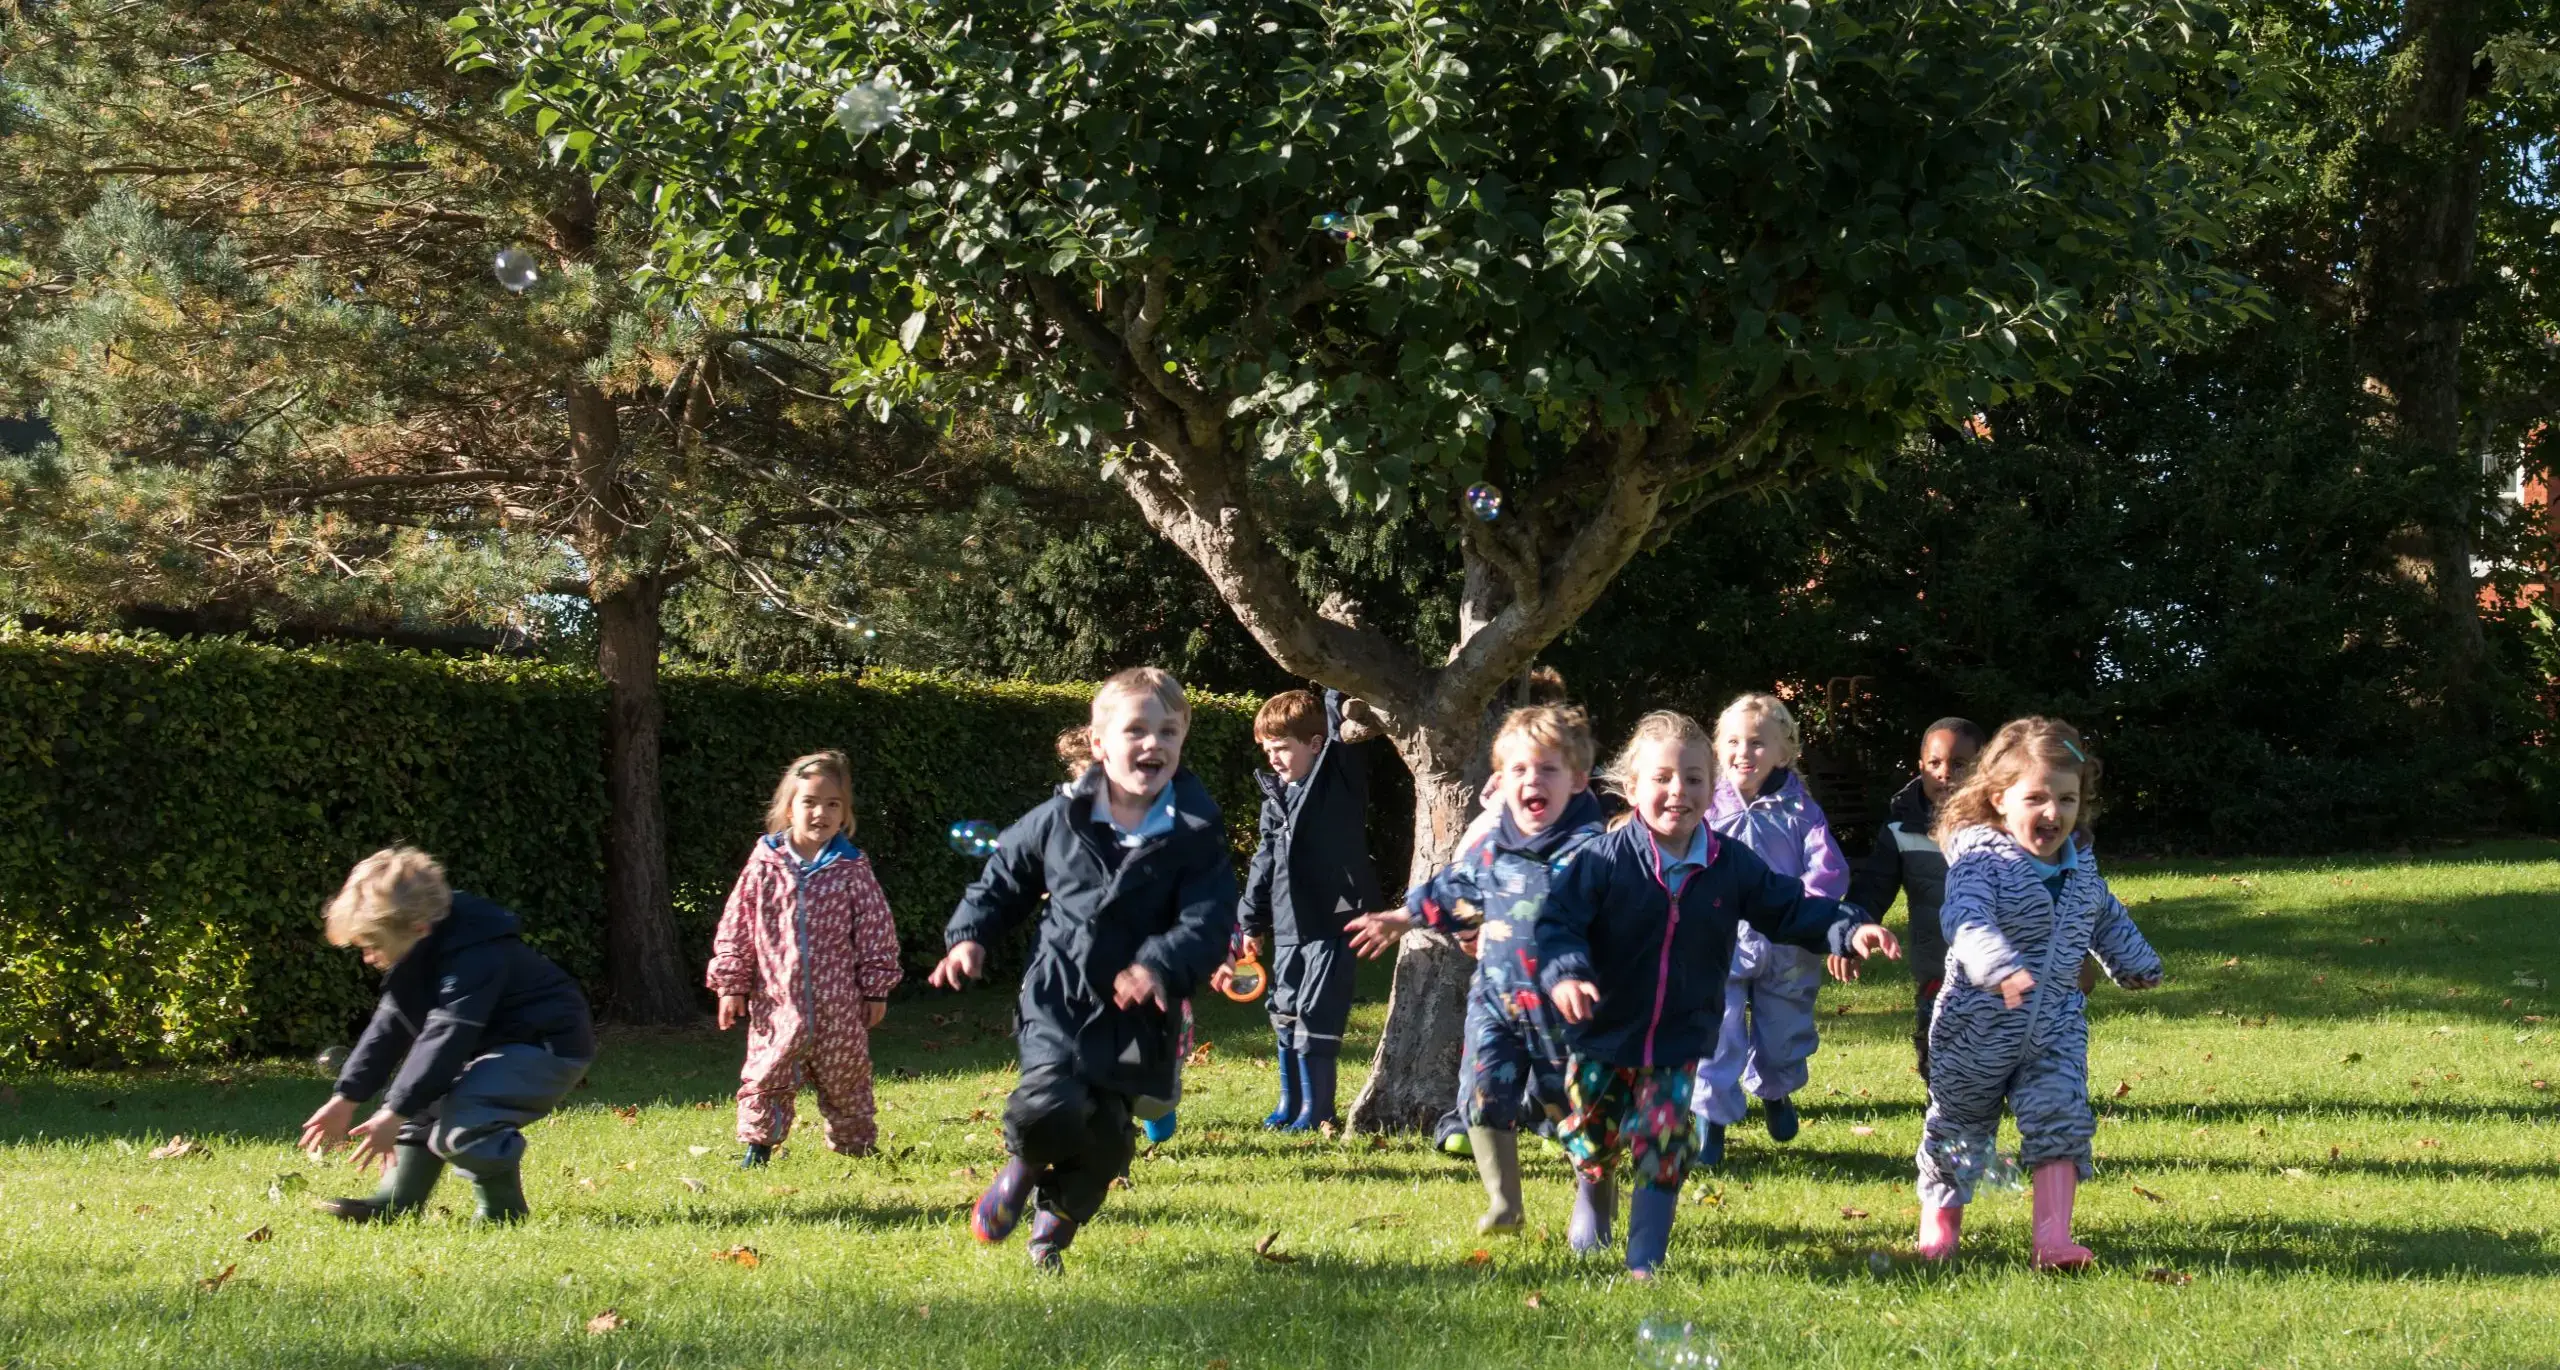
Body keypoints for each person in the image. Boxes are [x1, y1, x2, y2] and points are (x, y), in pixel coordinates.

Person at [1539, 712, 1899, 1277]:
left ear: (1713, 788)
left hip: (1679, 1036)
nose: (1677, 791)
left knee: (1663, 1144)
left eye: (1693, 778)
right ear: (1632, 787)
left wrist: (1848, 929)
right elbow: (1558, 923)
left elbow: (1789, 906)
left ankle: (1645, 1262)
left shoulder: (1728, 863)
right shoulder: (1602, 861)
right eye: (1661, 779)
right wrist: (1565, 974)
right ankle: (1594, 1196)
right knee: (1593, 1137)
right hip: (1602, 1032)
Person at [930, 667, 1235, 1272]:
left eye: (1168, 731)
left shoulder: (1196, 833)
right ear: (1099, 744)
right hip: (1060, 996)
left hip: (1140, 1015)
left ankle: (1055, 1227)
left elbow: (1208, 918)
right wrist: (969, 937)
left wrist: (1158, 963)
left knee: (1106, 1138)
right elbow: (1004, 879)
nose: (1154, 744)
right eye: (1137, 730)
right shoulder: (1061, 817)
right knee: (1051, 1103)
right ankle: (1020, 1170)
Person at [1347, 705, 1606, 1236]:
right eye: (1518, 770)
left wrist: (1588, 972)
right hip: (1496, 1000)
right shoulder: (1494, 846)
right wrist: (1402, 916)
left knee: (1575, 1109)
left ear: (1577, 780)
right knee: (1483, 1093)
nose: (1532, 780)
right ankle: (1504, 1202)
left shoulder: (1593, 854)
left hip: (1566, 1012)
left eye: (1549, 769)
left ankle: (1594, 1198)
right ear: (1500, 780)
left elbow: (1615, 924)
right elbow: (1456, 890)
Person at [1915, 718, 2163, 1268]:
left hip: (2054, 1024)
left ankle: (2053, 1240)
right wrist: (1997, 963)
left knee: (2061, 1116)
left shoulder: (2079, 869)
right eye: (2036, 798)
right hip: (1975, 1025)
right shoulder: (1981, 863)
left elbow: (2104, 915)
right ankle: (1939, 1228)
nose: (2053, 813)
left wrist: (2136, 962)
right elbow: (1965, 918)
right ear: (2000, 799)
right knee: (1958, 1127)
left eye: (2067, 799)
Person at [300, 847, 595, 1223]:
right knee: (420, 1107)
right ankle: (396, 1202)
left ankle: (502, 1212)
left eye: (373, 945)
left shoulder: (474, 956)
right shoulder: (424, 946)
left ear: (419, 928)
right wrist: (346, 1097)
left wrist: (392, 1111)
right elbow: (391, 1025)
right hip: (495, 1047)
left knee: (466, 1119)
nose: (368, 957)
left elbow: (448, 1034)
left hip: (546, 1046)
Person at [707, 750, 903, 1167]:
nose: (821, 813)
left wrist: (876, 988)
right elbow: (736, 925)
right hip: (776, 1003)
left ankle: (857, 1148)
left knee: (847, 1079)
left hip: (840, 1007)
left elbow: (875, 929)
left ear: (845, 812)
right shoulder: (765, 866)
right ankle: (758, 1148)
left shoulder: (851, 868)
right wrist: (731, 983)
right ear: (788, 808)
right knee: (767, 1074)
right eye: (809, 803)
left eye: (833, 804)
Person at [1692, 693, 1853, 1165]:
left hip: (1784, 943)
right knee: (1716, 1032)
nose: (1745, 752)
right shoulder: (1706, 805)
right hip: (1719, 939)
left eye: (1759, 743)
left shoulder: (1800, 811)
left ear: (1784, 751)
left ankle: (1776, 1091)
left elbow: (1828, 870)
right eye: (1734, 742)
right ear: (1719, 748)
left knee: (1783, 1033)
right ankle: (1711, 1122)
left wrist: (1807, 911)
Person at [1238, 686, 1381, 1131]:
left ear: (1315, 744)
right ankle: (1290, 1103)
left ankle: (1318, 1110)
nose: (1274, 759)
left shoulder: (1336, 777)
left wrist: (1333, 684)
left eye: (1282, 748)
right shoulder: (1275, 798)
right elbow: (1264, 861)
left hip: (1334, 918)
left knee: (1318, 1012)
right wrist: (1251, 919)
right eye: (1268, 750)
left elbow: (1337, 718)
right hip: (1288, 923)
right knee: (1284, 1008)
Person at [1846, 717, 1984, 1081]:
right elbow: (1872, 888)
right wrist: (1848, 933)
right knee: (1936, 1060)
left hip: (1994, 971)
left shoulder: (2004, 828)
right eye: (1935, 763)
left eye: (1959, 765)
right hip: (1934, 969)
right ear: (1920, 767)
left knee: (1992, 1054)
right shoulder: (1900, 832)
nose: (1945, 774)